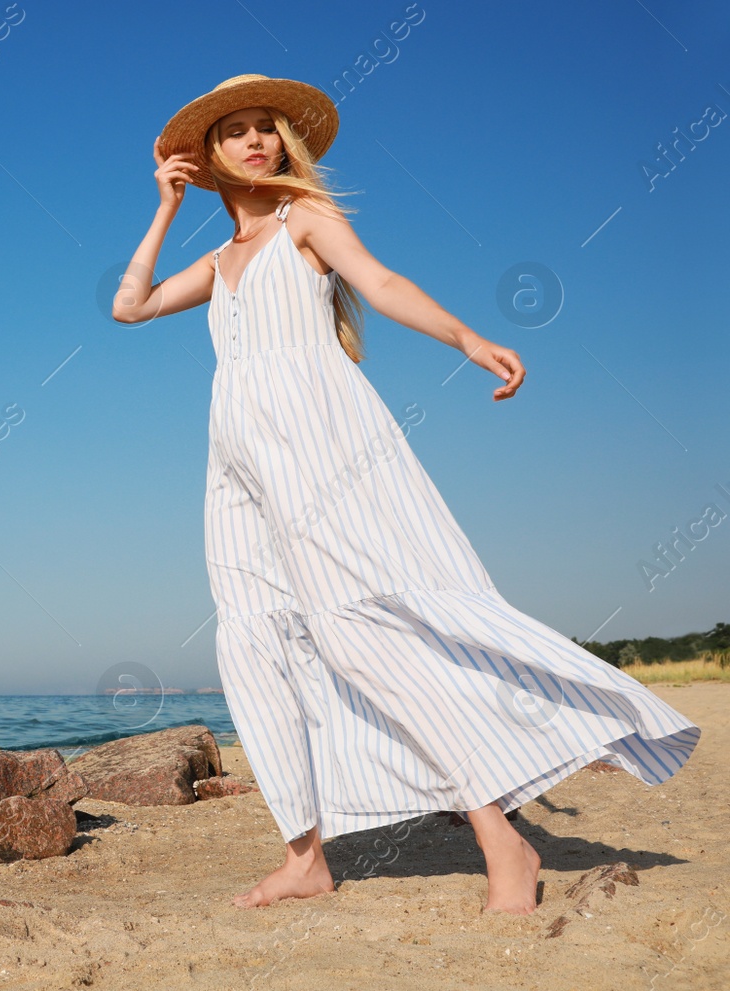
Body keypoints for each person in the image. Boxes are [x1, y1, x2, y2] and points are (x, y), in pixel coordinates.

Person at [111, 74, 700, 915]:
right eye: (233, 131)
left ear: (284, 143)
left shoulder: (301, 221)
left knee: (361, 635)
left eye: (264, 128)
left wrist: (465, 336)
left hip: (319, 443)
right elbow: (129, 307)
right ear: (207, 156)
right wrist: (165, 209)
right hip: (236, 460)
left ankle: (505, 840)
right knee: (253, 639)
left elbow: (380, 284)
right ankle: (305, 854)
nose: (253, 142)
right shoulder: (215, 260)